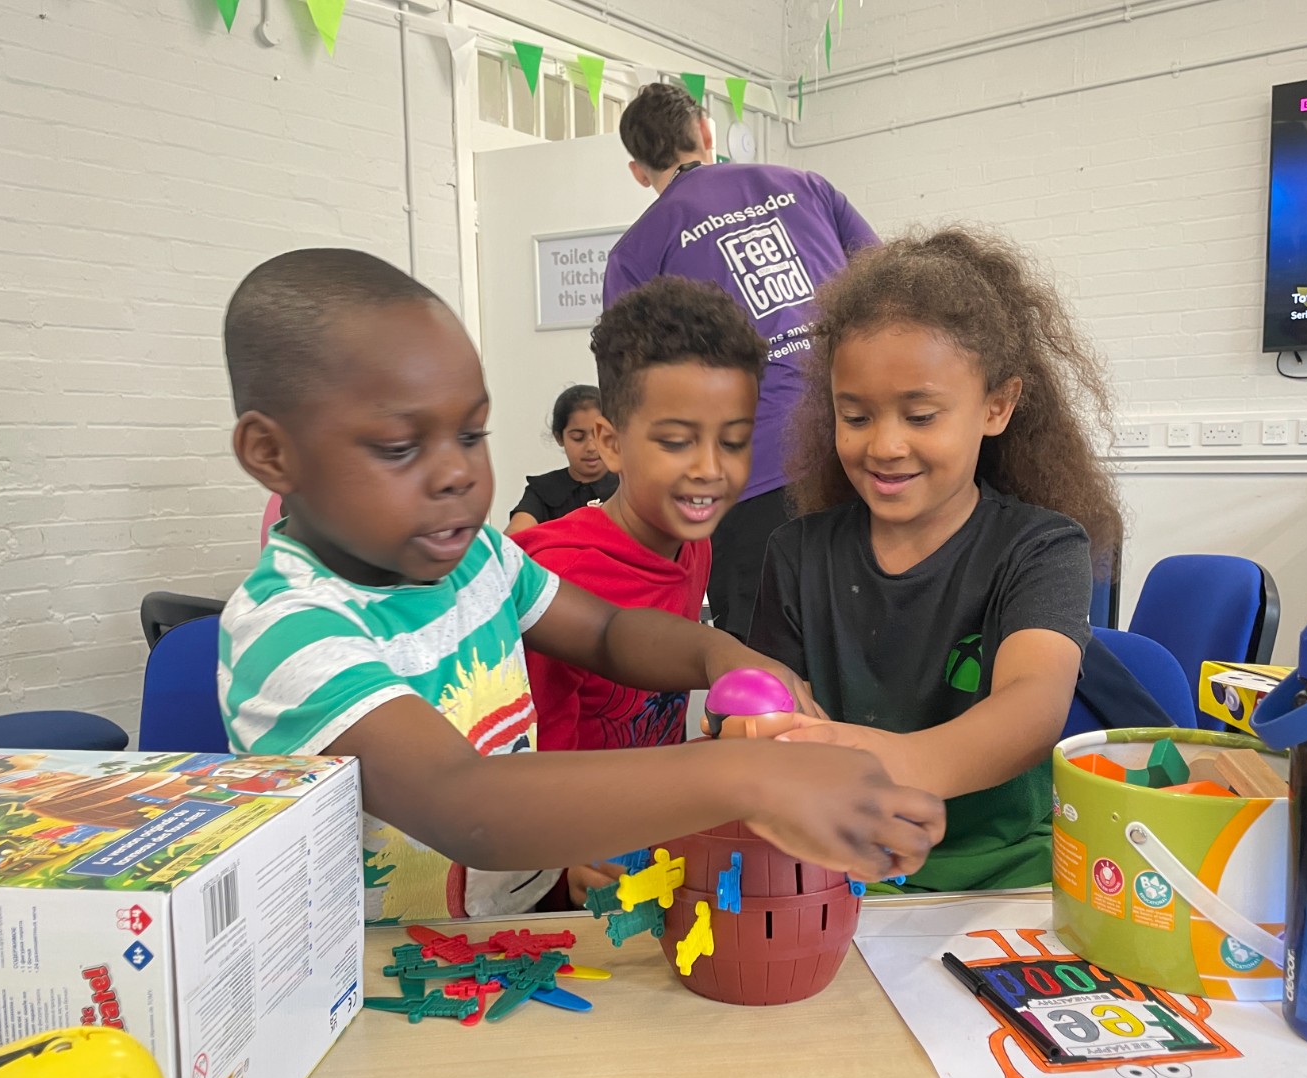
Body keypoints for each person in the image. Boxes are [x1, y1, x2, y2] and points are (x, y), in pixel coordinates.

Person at [218, 247, 943, 924]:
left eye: (471, 435)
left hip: (517, 927)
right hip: (373, 976)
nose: (457, 474)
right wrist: (750, 775)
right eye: (401, 447)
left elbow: (607, 632)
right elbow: (462, 802)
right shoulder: (289, 633)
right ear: (271, 454)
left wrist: (721, 655)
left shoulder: (478, 561)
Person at [749, 228, 1123, 892]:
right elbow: (768, 709)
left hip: (1001, 880)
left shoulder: (1041, 548)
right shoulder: (797, 553)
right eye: (855, 417)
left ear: (996, 406)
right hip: (835, 877)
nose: (886, 445)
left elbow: (1033, 706)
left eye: (920, 416)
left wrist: (883, 759)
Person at [602, 82, 878, 643]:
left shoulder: (635, 252)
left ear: (638, 171)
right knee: (873, 642)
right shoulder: (807, 187)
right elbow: (888, 293)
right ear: (705, 134)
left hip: (749, 476)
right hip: (855, 445)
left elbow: (630, 399)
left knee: (762, 668)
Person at [513, 278, 757, 752]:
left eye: (732, 441)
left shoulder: (694, 542)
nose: (709, 470)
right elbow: (540, 783)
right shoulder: (560, 578)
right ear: (611, 444)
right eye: (675, 441)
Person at [504, 384, 618, 535]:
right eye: (578, 437)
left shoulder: (628, 485)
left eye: (599, 435)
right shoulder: (543, 491)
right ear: (559, 437)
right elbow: (514, 537)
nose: (591, 447)